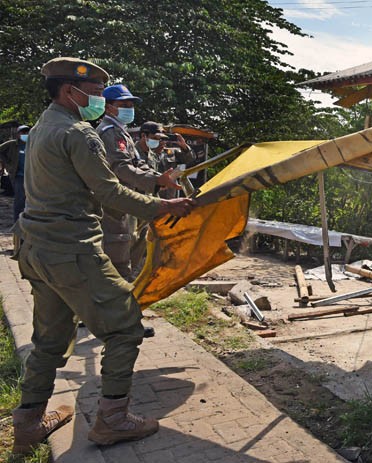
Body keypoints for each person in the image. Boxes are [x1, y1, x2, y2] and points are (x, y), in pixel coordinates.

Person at [10, 57, 195, 455]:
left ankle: (26, 425)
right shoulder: (80, 133)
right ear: (69, 91)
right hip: (71, 249)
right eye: (94, 95)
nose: (99, 102)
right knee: (126, 327)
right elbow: (109, 192)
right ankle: (112, 420)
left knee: (49, 341)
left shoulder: (43, 126)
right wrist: (164, 207)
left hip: (35, 247)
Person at [97, 86, 181, 281]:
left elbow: (138, 163)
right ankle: (115, 298)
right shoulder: (109, 132)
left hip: (128, 201)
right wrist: (155, 180)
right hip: (114, 202)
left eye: (131, 104)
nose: (129, 108)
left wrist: (158, 180)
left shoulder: (121, 132)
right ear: (109, 107)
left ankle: (124, 288)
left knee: (134, 243)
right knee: (116, 255)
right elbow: (121, 167)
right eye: (123, 104)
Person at [0, 125, 31, 221]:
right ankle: (17, 222)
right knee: (19, 200)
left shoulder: (33, 143)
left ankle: (28, 221)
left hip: (31, 176)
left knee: (30, 200)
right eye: (23, 132)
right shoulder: (13, 144)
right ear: (18, 134)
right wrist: (7, 162)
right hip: (18, 176)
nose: (25, 134)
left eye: (27, 132)